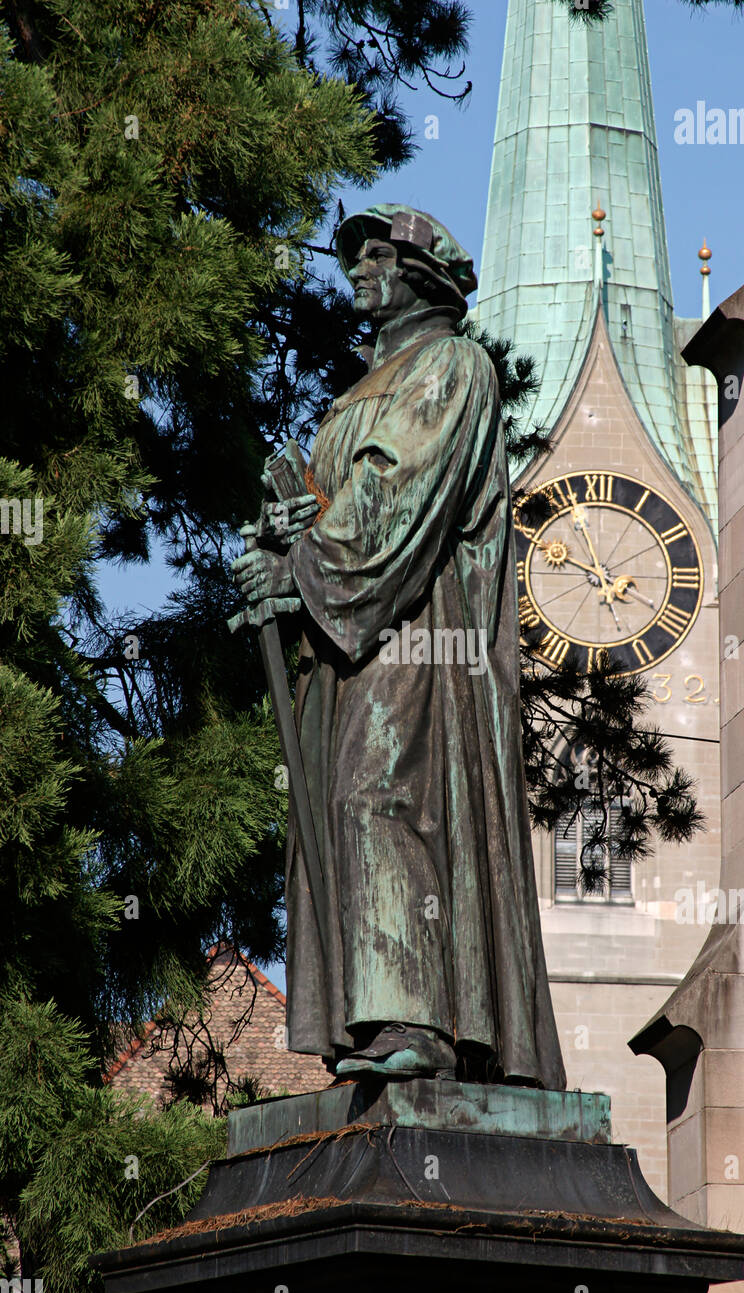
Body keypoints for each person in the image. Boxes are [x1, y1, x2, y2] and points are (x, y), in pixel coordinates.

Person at [232, 204, 565, 1089]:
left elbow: (396, 493)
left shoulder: (454, 367)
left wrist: (304, 565)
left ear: (422, 272)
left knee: (377, 797)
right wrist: (280, 542)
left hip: (418, 632)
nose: (359, 270)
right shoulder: (356, 395)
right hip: (351, 640)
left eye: (377, 254)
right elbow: (336, 503)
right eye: (356, 257)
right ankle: (377, 1015)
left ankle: (419, 1018)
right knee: (340, 819)